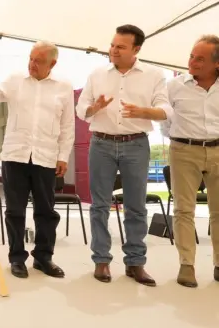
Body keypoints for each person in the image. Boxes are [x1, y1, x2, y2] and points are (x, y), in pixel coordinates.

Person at [76, 24, 172, 286]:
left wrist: (144, 112)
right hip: (101, 144)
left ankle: (135, 263)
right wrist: (94, 107)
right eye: (112, 44)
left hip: (136, 144)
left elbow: (165, 109)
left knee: (136, 207)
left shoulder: (154, 75)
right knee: (99, 205)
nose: (113, 50)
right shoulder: (97, 74)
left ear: (136, 49)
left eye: (120, 47)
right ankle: (101, 261)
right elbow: (81, 108)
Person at [0, 41, 75, 279]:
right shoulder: (16, 80)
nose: (32, 64)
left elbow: (67, 125)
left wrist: (63, 156)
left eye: (38, 61)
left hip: (46, 157)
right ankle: (17, 258)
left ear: (52, 63)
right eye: (30, 58)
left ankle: (43, 258)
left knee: (46, 211)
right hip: (15, 155)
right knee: (15, 211)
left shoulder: (64, 87)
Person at [160, 35, 219, 288]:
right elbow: (164, 121)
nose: (192, 62)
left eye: (200, 59)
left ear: (216, 63)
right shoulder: (174, 86)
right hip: (184, 150)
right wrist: (179, 140)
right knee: (184, 210)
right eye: (192, 56)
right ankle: (187, 264)